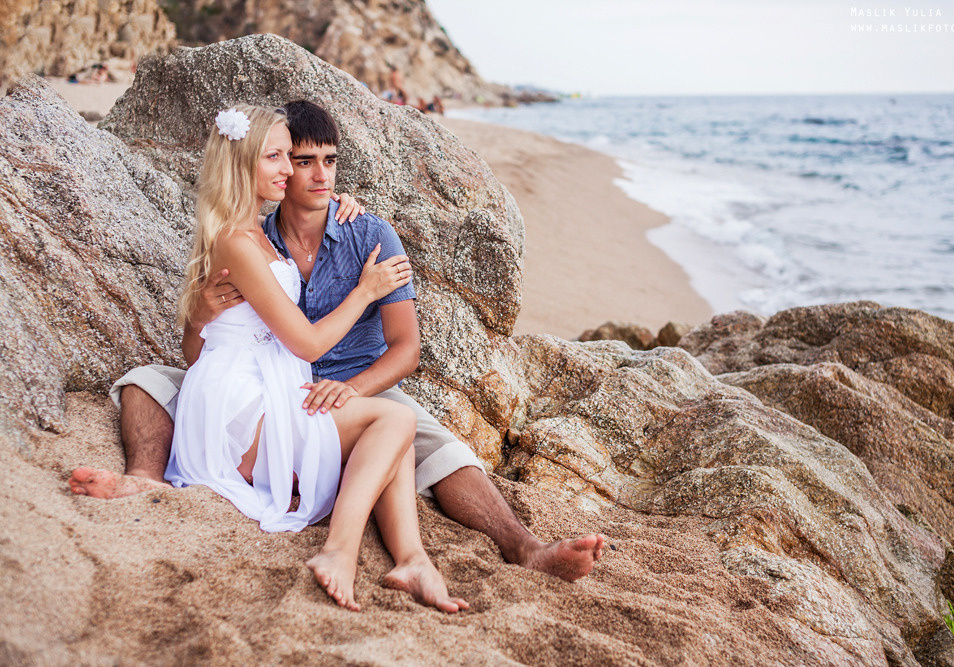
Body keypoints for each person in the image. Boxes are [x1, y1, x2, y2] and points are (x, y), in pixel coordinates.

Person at [70, 100, 604, 583]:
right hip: (268, 379)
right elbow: (213, 345)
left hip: (352, 381)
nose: (317, 174)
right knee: (146, 382)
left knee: (438, 446)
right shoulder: (261, 232)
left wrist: (353, 389)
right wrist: (198, 318)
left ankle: (525, 547)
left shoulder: (370, 234)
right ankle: (145, 478)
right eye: (300, 161)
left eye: (329, 160)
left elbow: (406, 349)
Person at [164, 104, 466, 611]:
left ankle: (412, 558)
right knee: (394, 421)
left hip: (260, 389)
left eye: (297, 158)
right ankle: (340, 550)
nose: (293, 170)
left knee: (392, 431)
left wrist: (198, 320)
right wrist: (366, 291)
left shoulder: (260, 232)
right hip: (241, 412)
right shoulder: (240, 241)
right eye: (281, 158)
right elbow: (302, 344)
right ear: (243, 164)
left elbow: (216, 339)